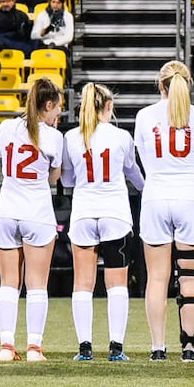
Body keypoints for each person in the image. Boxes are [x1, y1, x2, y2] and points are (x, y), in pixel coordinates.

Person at [134, 60, 194, 360]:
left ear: (160, 84)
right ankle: (189, 346)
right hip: (190, 197)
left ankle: (157, 347)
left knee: (157, 277)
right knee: (190, 275)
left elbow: (143, 157)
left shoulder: (144, 116)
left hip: (156, 197)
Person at [61, 82, 144, 362]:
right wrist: (149, 190)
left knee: (82, 283)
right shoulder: (121, 136)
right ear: (108, 107)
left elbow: (67, 179)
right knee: (117, 283)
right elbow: (134, 173)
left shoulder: (72, 137)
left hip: (84, 212)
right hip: (115, 213)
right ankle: (116, 348)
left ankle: (85, 348)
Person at [0, 78, 64, 361]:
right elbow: (54, 177)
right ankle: (34, 346)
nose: (58, 113)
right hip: (37, 212)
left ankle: (6, 346)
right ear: (47, 105)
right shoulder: (53, 136)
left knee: (9, 283)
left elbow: (5, 163)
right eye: (57, 108)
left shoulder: (5, 127)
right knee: (37, 284)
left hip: (7, 210)